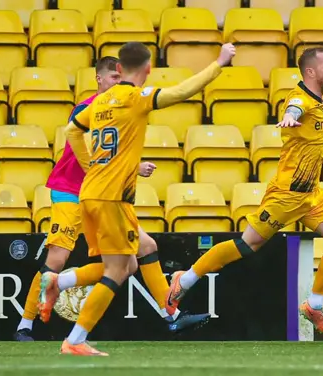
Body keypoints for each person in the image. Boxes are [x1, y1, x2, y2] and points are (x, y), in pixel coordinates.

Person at [60, 41, 236, 356]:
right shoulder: (135, 97)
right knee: (117, 269)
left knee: (136, 256)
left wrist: (95, 167)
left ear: (118, 69)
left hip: (94, 192)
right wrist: (219, 63)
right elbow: (182, 91)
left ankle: (170, 315)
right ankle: (71, 329)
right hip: (112, 197)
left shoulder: (101, 101)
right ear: (148, 68)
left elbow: (72, 131)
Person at [13, 57, 207, 341]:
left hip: (104, 195)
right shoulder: (88, 108)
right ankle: (24, 326)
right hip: (70, 189)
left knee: (144, 248)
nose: (118, 83)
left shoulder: (124, 109)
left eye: (120, 78)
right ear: (99, 80)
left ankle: (171, 316)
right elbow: (94, 150)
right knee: (57, 258)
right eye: (113, 79)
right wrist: (134, 167)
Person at [164, 47, 323, 337]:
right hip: (287, 194)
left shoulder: (313, 101)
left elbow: (309, 108)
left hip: (312, 193)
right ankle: (185, 279)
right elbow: (295, 108)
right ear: (311, 72)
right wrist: (290, 117)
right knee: (246, 245)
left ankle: (313, 304)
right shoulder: (299, 100)